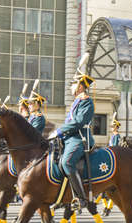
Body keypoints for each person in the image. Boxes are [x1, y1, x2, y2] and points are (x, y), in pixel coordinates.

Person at [49, 67, 95, 210]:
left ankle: (81, 198)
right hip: (70, 137)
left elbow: (79, 122)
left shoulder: (86, 101)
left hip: (79, 138)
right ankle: (63, 195)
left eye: (73, 84)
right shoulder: (76, 101)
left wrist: (59, 131)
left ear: (80, 85)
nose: (70, 87)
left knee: (67, 162)